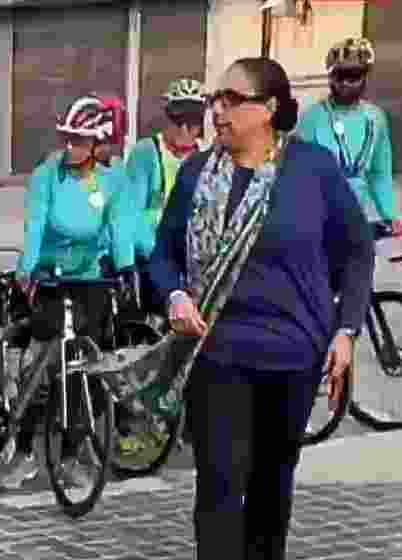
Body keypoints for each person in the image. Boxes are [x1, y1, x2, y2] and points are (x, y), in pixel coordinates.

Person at [149, 57, 373, 559]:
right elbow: (163, 254)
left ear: (269, 108)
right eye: (215, 100)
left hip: (293, 358)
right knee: (219, 491)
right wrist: (175, 294)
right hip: (217, 356)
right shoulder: (195, 174)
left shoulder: (312, 169)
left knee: (271, 493)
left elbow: (358, 250)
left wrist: (347, 331)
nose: (217, 111)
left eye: (231, 99)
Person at [2, 93, 135, 490]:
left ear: (97, 145)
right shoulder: (47, 174)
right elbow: (35, 225)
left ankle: (71, 455)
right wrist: (26, 271)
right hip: (49, 279)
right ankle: (24, 450)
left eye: (79, 141)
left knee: (82, 371)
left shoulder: (113, 181)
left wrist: (126, 267)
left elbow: (121, 226)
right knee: (44, 371)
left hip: (89, 281)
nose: (70, 147)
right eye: (68, 139)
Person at [295, 37, 399, 232]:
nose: (345, 83)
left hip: (358, 219)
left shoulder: (376, 119)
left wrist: (390, 215)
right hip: (320, 220)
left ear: (365, 76)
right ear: (330, 77)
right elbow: (298, 178)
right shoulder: (313, 119)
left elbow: (379, 174)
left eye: (352, 76)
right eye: (339, 76)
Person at [126, 78, 206, 270]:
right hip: (153, 258)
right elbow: (132, 215)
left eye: (193, 122)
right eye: (178, 121)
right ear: (167, 117)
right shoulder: (145, 153)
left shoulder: (206, 156)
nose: (185, 129)